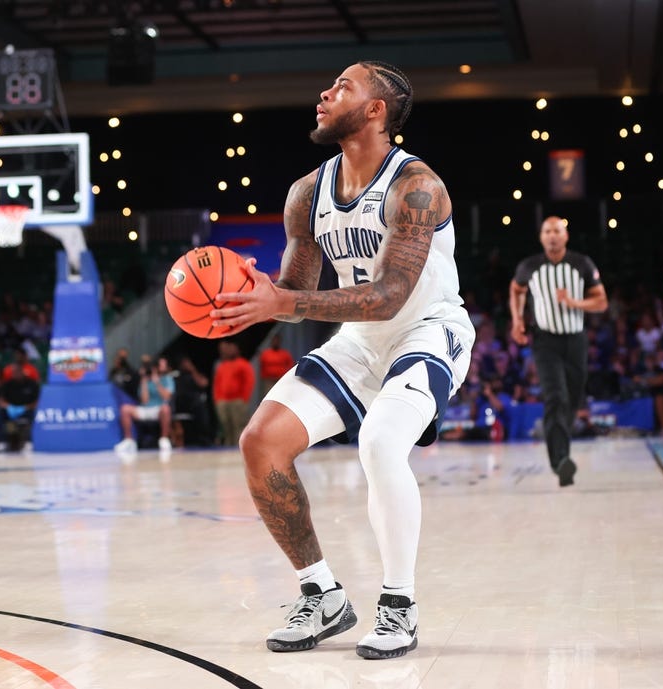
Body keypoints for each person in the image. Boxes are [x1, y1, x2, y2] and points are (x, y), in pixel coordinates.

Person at [210, 61, 474, 660]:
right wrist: (251, 300)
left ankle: (399, 606)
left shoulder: (418, 186)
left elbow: (389, 297)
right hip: (359, 340)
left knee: (381, 443)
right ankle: (322, 594)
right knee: (261, 442)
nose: (325, 93)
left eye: (343, 87)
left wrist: (288, 299)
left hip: (426, 331)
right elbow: (296, 287)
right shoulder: (307, 193)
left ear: (376, 110)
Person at [509, 216, 608, 487]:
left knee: (573, 400)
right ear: (541, 237)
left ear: (566, 236)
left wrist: (574, 302)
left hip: (575, 339)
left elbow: (601, 302)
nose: (552, 236)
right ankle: (560, 461)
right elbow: (516, 289)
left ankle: (562, 453)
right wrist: (517, 320)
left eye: (557, 231)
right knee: (556, 397)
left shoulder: (581, 264)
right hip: (544, 341)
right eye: (547, 231)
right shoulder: (529, 266)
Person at [114, 356, 175, 455]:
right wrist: (144, 381)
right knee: (125, 409)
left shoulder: (167, 379)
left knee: (166, 409)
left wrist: (157, 382)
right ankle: (129, 441)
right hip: (145, 409)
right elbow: (144, 400)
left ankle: (164, 439)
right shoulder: (145, 381)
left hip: (158, 409)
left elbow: (166, 397)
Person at [212, 339, 255, 447]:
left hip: (237, 401)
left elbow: (249, 382)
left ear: (236, 349)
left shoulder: (243, 364)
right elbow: (217, 384)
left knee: (238, 428)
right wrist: (218, 400)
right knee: (226, 429)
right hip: (223, 402)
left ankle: (239, 450)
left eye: (230, 348)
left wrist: (244, 399)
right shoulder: (222, 366)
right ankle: (228, 450)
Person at [258, 333, 296, 398]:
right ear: (272, 342)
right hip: (268, 381)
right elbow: (262, 366)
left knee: (280, 397)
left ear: (280, 342)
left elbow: (291, 366)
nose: (275, 342)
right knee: (268, 397)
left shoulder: (285, 354)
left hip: (281, 381)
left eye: (277, 341)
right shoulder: (265, 353)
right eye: (274, 340)